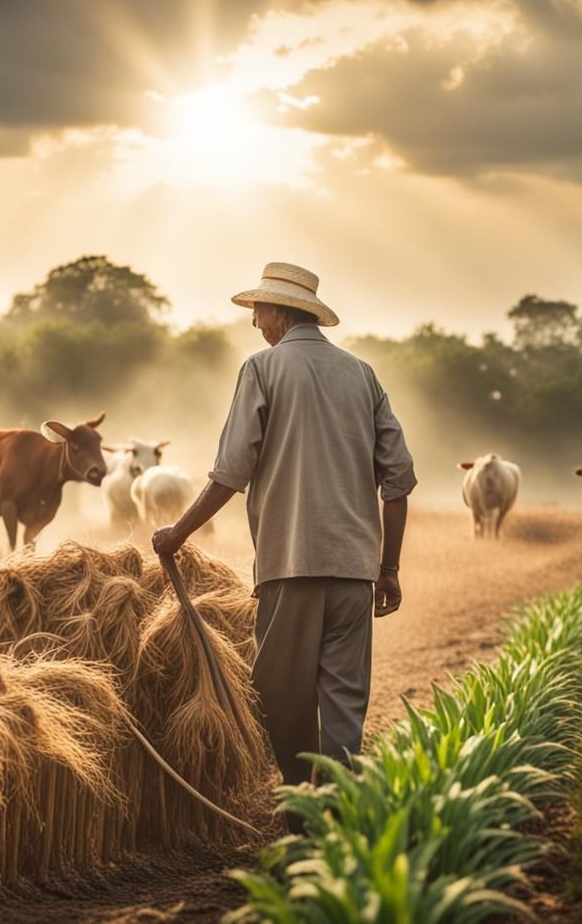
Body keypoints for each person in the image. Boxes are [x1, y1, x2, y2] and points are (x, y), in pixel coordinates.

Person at [152, 262, 417, 790]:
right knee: (344, 700)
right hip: (354, 571)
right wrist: (388, 569)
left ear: (278, 310)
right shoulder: (362, 374)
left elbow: (231, 473)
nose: (255, 324)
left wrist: (177, 533)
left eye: (258, 312)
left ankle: (301, 803)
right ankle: (338, 807)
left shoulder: (262, 369)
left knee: (278, 693)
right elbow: (400, 482)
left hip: (290, 565)